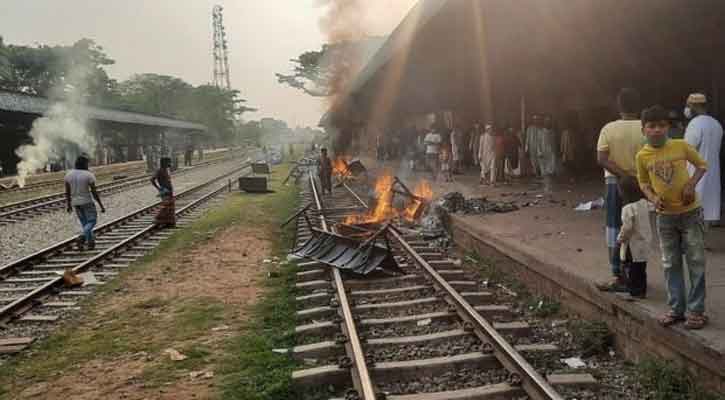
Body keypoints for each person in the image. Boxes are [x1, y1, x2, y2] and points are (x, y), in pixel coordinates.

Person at [636, 105, 708, 329]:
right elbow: (644, 182)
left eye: (661, 125)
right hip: (664, 217)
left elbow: (702, 166)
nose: (657, 130)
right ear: (644, 130)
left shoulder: (681, 146)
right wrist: (652, 197)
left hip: (690, 214)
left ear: (668, 127)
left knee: (696, 261)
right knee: (670, 263)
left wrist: (690, 184)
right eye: (652, 126)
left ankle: (696, 311)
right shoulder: (642, 155)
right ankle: (676, 309)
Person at [596, 88, 643, 292]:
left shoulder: (609, 128)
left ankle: (617, 274)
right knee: (638, 229)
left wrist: (622, 175)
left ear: (619, 106)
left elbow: (602, 159)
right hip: (641, 184)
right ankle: (636, 276)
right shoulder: (645, 128)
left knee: (615, 227)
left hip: (615, 183)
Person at [684, 93, 723, 227]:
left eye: (688, 106)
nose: (687, 109)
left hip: (695, 175)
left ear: (694, 106)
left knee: (693, 215)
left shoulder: (695, 123)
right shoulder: (716, 124)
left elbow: (687, 150)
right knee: (706, 214)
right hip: (712, 174)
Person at [616, 176, 652, 299]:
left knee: (632, 268)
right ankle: (642, 290)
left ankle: (634, 290)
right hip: (645, 242)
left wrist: (620, 239)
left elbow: (627, 227)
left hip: (633, 244)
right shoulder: (643, 203)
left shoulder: (627, 208)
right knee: (642, 268)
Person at [65, 154, 106, 251]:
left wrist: (69, 205)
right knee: (92, 221)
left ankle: (91, 243)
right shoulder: (88, 175)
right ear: (85, 164)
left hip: (76, 203)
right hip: (87, 202)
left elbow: (67, 192)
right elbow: (94, 192)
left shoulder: (68, 175)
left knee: (85, 223)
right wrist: (101, 205)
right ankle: (82, 237)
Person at [150, 157, 176, 227]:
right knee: (166, 206)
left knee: (171, 207)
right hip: (165, 191)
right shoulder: (159, 170)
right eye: (168, 162)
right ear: (164, 163)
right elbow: (152, 179)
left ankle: (169, 223)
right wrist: (159, 188)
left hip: (169, 190)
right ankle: (157, 220)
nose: (170, 164)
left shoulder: (166, 170)